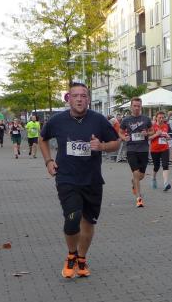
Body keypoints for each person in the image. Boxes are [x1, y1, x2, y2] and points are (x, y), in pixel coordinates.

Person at [39, 82, 119, 279]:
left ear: (88, 99)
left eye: (83, 96)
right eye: (75, 96)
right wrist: (48, 161)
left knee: (88, 222)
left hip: (92, 180)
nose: (79, 99)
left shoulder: (98, 120)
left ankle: (81, 259)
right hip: (67, 178)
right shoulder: (57, 120)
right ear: (69, 99)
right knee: (72, 218)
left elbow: (116, 143)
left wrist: (101, 146)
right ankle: (71, 255)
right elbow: (42, 138)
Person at [119, 98, 153, 208]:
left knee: (141, 175)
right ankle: (139, 198)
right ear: (131, 107)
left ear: (141, 106)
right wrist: (124, 138)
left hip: (143, 149)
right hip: (131, 149)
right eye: (135, 106)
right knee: (136, 173)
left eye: (138, 106)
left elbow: (152, 131)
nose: (137, 108)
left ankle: (134, 182)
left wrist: (147, 133)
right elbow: (120, 132)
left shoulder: (146, 119)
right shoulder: (126, 120)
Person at [149, 111, 172, 191]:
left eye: (163, 117)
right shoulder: (152, 126)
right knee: (156, 166)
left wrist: (168, 137)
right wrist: (156, 134)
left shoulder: (166, 126)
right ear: (156, 118)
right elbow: (148, 138)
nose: (161, 119)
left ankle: (166, 183)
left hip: (165, 148)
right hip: (155, 149)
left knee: (165, 165)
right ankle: (153, 178)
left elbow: (168, 136)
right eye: (160, 117)